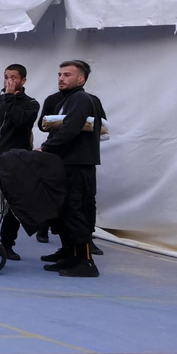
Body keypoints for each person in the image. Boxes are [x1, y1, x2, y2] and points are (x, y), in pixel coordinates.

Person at [39, 60, 105, 278]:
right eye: (59, 74)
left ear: (81, 79)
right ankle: (71, 254)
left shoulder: (80, 99)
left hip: (77, 166)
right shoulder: (68, 100)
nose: (61, 78)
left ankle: (86, 261)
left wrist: (45, 147)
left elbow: (71, 130)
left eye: (67, 75)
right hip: (68, 164)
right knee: (66, 212)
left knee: (75, 212)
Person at [0, 63, 39, 260]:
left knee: (13, 205)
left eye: (14, 78)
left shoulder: (31, 104)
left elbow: (20, 122)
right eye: (6, 77)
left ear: (23, 81)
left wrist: (10, 99)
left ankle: (8, 243)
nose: (9, 81)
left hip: (15, 161)